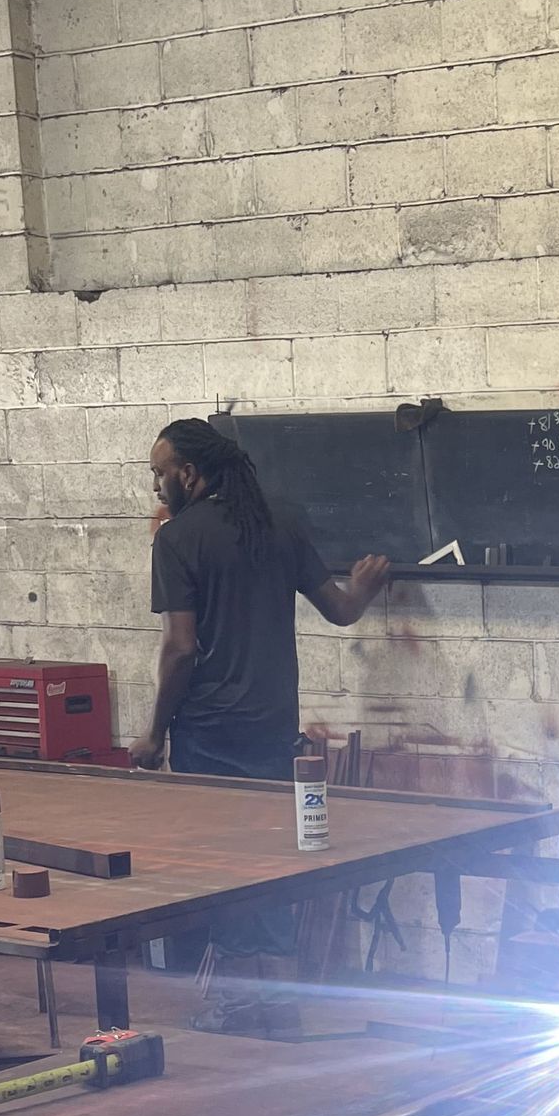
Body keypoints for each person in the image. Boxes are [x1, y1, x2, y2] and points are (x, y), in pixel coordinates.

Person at [130, 418, 392, 1027]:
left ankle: (234, 998)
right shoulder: (283, 522)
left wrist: (155, 733)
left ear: (188, 474)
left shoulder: (176, 540)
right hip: (274, 730)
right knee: (274, 860)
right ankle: (275, 997)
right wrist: (365, 585)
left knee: (222, 863)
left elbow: (180, 648)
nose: (155, 488)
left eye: (158, 474)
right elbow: (343, 610)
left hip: (208, 734)